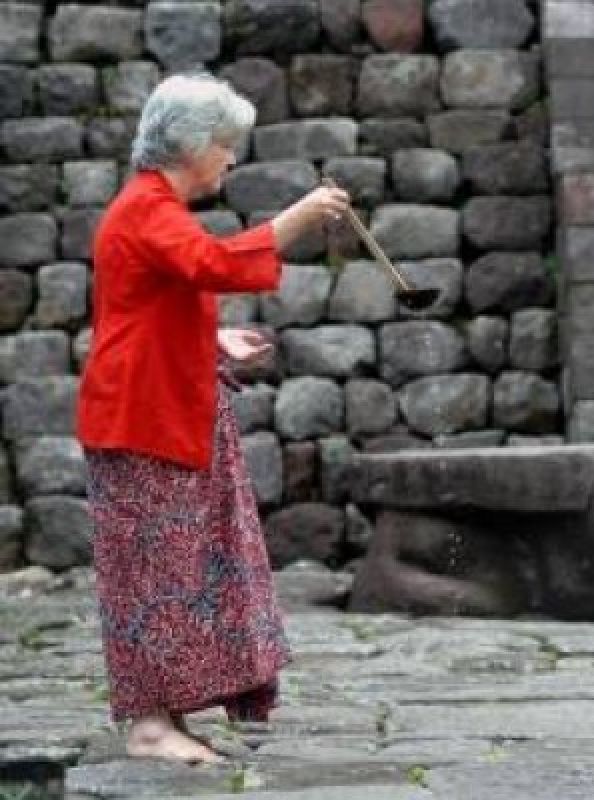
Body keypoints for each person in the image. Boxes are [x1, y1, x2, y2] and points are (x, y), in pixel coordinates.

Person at [77, 73, 350, 764]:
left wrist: (211, 340)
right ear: (194, 146)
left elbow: (148, 306)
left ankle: (162, 717)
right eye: (226, 146)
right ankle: (147, 726)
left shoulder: (151, 208)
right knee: (153, 573)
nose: (231, 160)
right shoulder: (147, 210)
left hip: (152, 409)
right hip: (140, 418)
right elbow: (215, 263)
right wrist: (298, 218)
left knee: (169, 569)